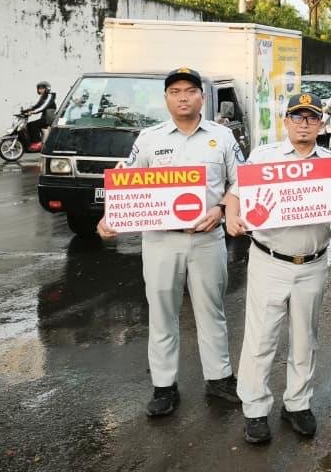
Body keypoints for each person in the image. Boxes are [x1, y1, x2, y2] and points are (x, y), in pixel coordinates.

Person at [97, 67, 243, 417]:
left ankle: (219, 379)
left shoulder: (222, 138)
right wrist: (110, 215)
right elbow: (128, 182)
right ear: (166, 98)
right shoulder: (148, 139)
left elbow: (241, 181)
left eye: (190, 91)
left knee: (212, 311)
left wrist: (221, 209)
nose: (182, 97)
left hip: (207, 238)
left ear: (202, 97)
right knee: (162, 313)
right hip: (161, 241)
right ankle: (164, 387)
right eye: (175, 91)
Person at [224, 93, 331, 445]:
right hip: (270, 259)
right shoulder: (264, 158)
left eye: (311, 118)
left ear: (320, 123)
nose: (304, 123)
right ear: (286, 121)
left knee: (305, 338)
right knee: (261, 338)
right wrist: (232, 215)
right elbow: (236, 194)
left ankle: (297, 404)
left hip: (312, 263)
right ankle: (254, 410)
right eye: (297, 117)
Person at [21, 81, 57, 150]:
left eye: (42, 88)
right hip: (45, 117)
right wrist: (25, 111)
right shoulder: (42, 97)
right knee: (28, 125)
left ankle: (37, 143)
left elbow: (44, 106)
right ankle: (33, 143)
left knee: (33, 125)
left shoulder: (50, 96)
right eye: (39, 89)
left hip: (49, 118)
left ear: (47, 89)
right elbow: (36, 105)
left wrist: (33, 112)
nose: (40, 90)